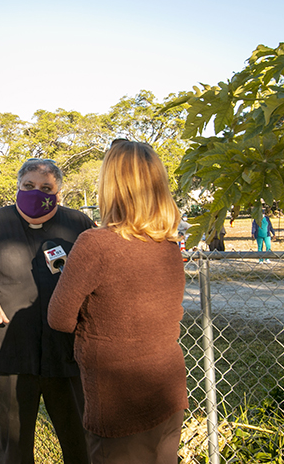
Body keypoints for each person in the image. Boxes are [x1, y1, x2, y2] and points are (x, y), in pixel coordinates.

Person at [47, 141, 187, 464]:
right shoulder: (168, 244)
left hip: (119, 405)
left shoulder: (95, 244)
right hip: (167, 392)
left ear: (112, 186)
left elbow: (59, 318)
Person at [0, 158, 94, 464]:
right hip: (9, 356)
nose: (35, 192)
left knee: (81, 446)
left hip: (66, 355)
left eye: (45, 187)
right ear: (18, 186)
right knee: (14, 452)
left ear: (58, 191)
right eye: (28, 186)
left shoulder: (79, 225)